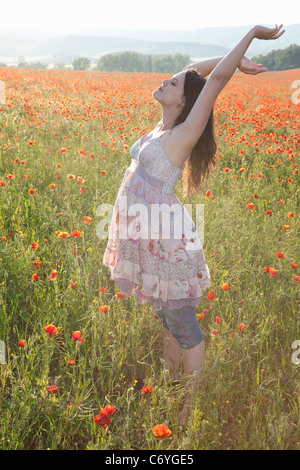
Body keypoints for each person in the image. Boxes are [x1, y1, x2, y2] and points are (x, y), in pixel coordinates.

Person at [102, 24, 285, 426]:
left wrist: (251, 36)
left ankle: (191, 407)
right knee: (165, 315)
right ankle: (170, 382)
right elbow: (194, 72)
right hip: (149, 238)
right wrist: (234, 62)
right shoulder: (162, 127)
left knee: (184, 324)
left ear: (184, 101)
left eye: (172, 83)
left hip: (167, 242)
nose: (163, 81)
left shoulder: (185, 132)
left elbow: (212, 82)